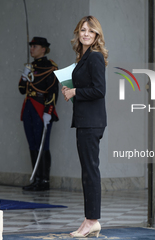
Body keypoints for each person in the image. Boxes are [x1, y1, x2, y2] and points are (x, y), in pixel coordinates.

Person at [62, 16, 108, 238]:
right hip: (84, 121)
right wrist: (70, 90)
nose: (86, 34)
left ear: (97, 35)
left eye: (90, 31)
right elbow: (87, 87)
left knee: (90, 171)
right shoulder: (83, 58)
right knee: (88, 171)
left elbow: (100, 91)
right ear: (78, 33)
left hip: (91, 122)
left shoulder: (95, 57)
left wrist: (75, 92)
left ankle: (92, 220)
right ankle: (89, 219)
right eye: (82, 30)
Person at [18, 37, 59, 191]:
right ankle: (36, 179)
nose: (32, 49)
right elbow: (22, 90)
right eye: (31, 46)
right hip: (29, 107)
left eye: (35, 46)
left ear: (43, 49)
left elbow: (53, 92)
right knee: (33, 145)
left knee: (43, 145)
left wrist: (48, 112)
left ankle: (44, 181)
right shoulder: (30, 67)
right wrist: (24, 76)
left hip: (41, 108)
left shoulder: (51, 67)